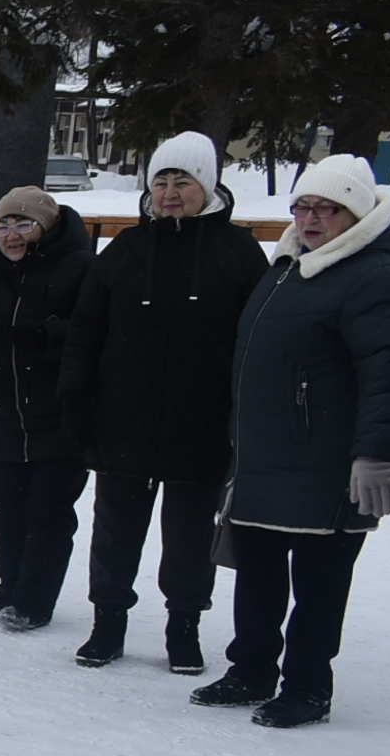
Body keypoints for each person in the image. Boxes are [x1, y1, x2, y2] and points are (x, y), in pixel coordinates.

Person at [198, 152, 390, 728]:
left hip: (327, 466)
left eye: (328, 208)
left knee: (319, 588)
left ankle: (307, 687)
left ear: (358, 215)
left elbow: (388, 372)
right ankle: (250, 671)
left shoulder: (375, 276)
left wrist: (376, 454)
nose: (311, 219)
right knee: (258, 576)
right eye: (302, 207)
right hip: (261, 459)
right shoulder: (286, 269)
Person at [59, 131, 269, 670]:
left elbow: (256, 344)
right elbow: (86, 331)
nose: (171, 193)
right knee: (114, 533)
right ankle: (108, 623)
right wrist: (76, 399)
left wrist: (242, 419)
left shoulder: (240, 253)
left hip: (201, 425)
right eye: (162, 181)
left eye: (184, 181)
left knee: (190, 539)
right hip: (122, 420)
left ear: (208, 187)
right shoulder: (125, 249)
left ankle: (185, 627)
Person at [0, 188, 94, 632]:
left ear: (47, 227)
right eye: (3, 226)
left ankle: (33, 600)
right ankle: (9, 589)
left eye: (24, 224)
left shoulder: (82, 268)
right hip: (5, 410)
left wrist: (44, 337)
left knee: (48, 512)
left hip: (60, 412)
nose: (12, 235)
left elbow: (95, 331)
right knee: (6, 508)